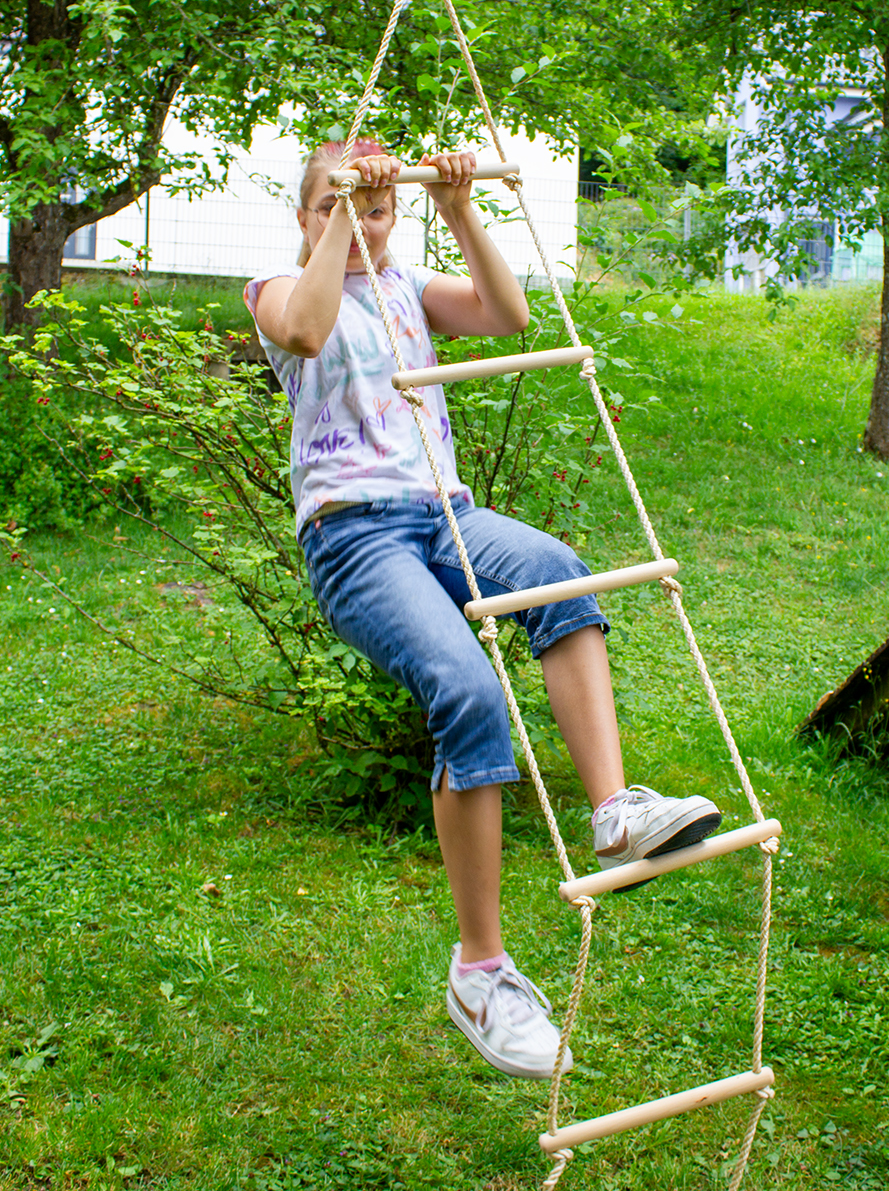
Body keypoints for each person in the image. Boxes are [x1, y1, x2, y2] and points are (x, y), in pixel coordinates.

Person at [246, 139, 721, 1080]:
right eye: (335, 209)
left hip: (447, 518)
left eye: (380, 211)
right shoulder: (278, 290)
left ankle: (615, 811)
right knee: (467, 689)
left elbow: (508, 313)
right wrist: (346, 213)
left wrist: (460, 207)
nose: (362, 225)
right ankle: (481, 972)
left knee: (562, 575)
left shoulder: (411, 293)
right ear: (305, 220)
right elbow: (303, 332)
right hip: (355, 538)